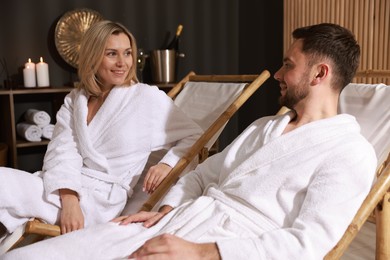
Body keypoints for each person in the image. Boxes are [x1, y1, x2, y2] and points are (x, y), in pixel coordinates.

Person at [2, 23, 377, 260]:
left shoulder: (350, 152)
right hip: (182, 218)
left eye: (288, 65)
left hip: (228, 243)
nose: (278, 73)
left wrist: (202, 252)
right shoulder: (266, 127)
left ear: (320, 73)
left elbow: (308, 245)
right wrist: (165, 209)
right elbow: (201, 176)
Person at [0, 20, 203, 243]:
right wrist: (70, 201)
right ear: (93, 57)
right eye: (111, 54)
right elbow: (61, 151)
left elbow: (195, 135)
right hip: (64, 191)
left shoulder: (145, 98)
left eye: (127, 53)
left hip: (100, 203)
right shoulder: (76, 100)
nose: (122, 63)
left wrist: (167, 164)